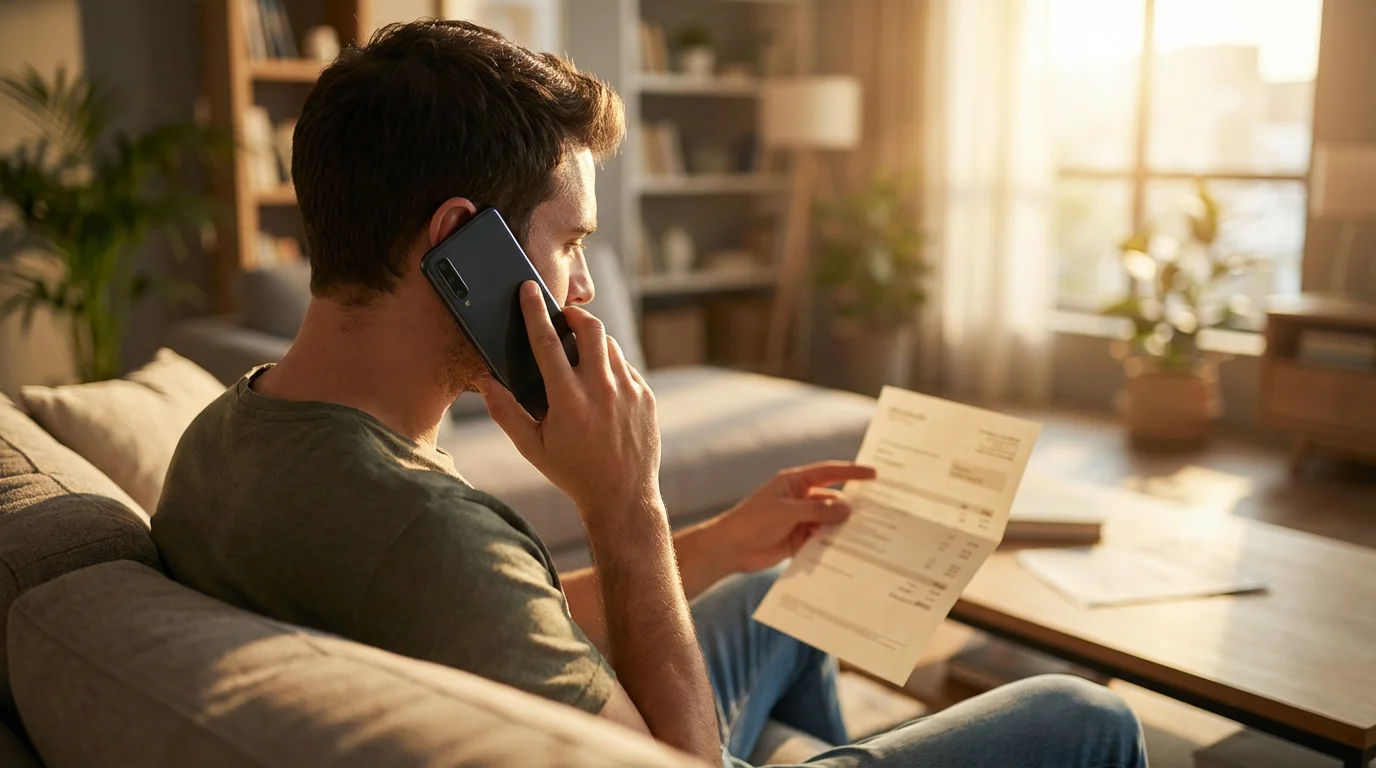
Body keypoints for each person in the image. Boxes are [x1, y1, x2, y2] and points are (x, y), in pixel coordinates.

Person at [153, 19, 1147, 768]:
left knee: (767, 597)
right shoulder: (422, 530)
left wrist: (704, 548)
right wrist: (626, 508)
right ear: (457, 243)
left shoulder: (224, 431)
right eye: (571, 242)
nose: (582, 287)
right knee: (1085, 718)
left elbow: (494, 616)